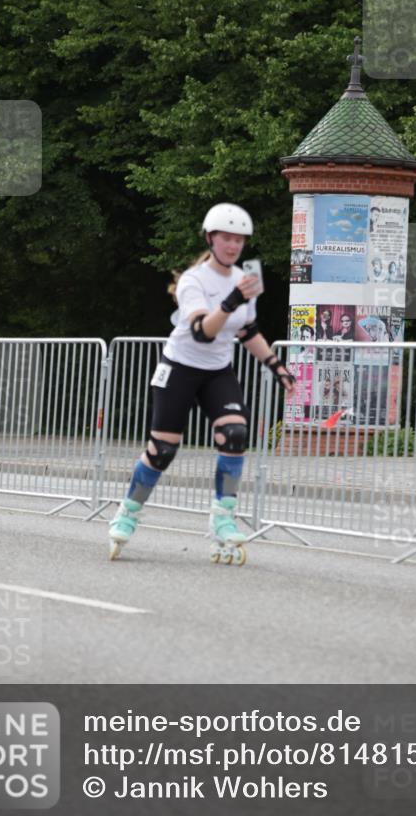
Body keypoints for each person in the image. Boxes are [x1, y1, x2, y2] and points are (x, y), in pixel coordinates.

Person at [108, 203, 296, 564]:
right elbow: (201, 332)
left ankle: (223, 517)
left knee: (235, 434)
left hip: (217, 371)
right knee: (162, 451)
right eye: (227, 238)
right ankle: (128, 511)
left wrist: (276, 366)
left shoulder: (247, 278)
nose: (234, 245)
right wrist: (231, 300)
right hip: (180, 367)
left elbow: (247, 330)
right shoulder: (193, 280)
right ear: (210, 239)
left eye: (240, 240)